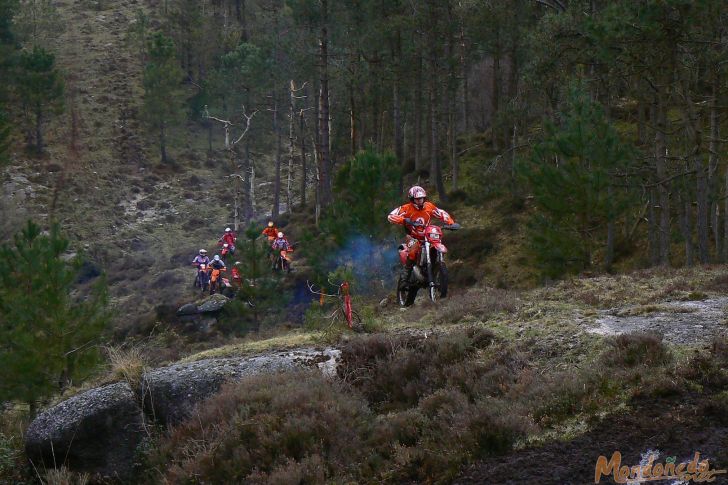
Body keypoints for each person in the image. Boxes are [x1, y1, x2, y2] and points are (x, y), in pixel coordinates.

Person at [387, 185, 456, 287]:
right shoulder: (406, 208)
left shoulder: (429, 206)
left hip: (427, 236)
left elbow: (441, 213)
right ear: (412, 199)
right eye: (417, 199)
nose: (420, 201)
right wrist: (404, 220)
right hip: (413, 236)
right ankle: (405, 277)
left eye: (421, 198)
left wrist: (450, 222)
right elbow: (391, 216)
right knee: (413, 251)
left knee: (437, 245)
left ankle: (435, 269)